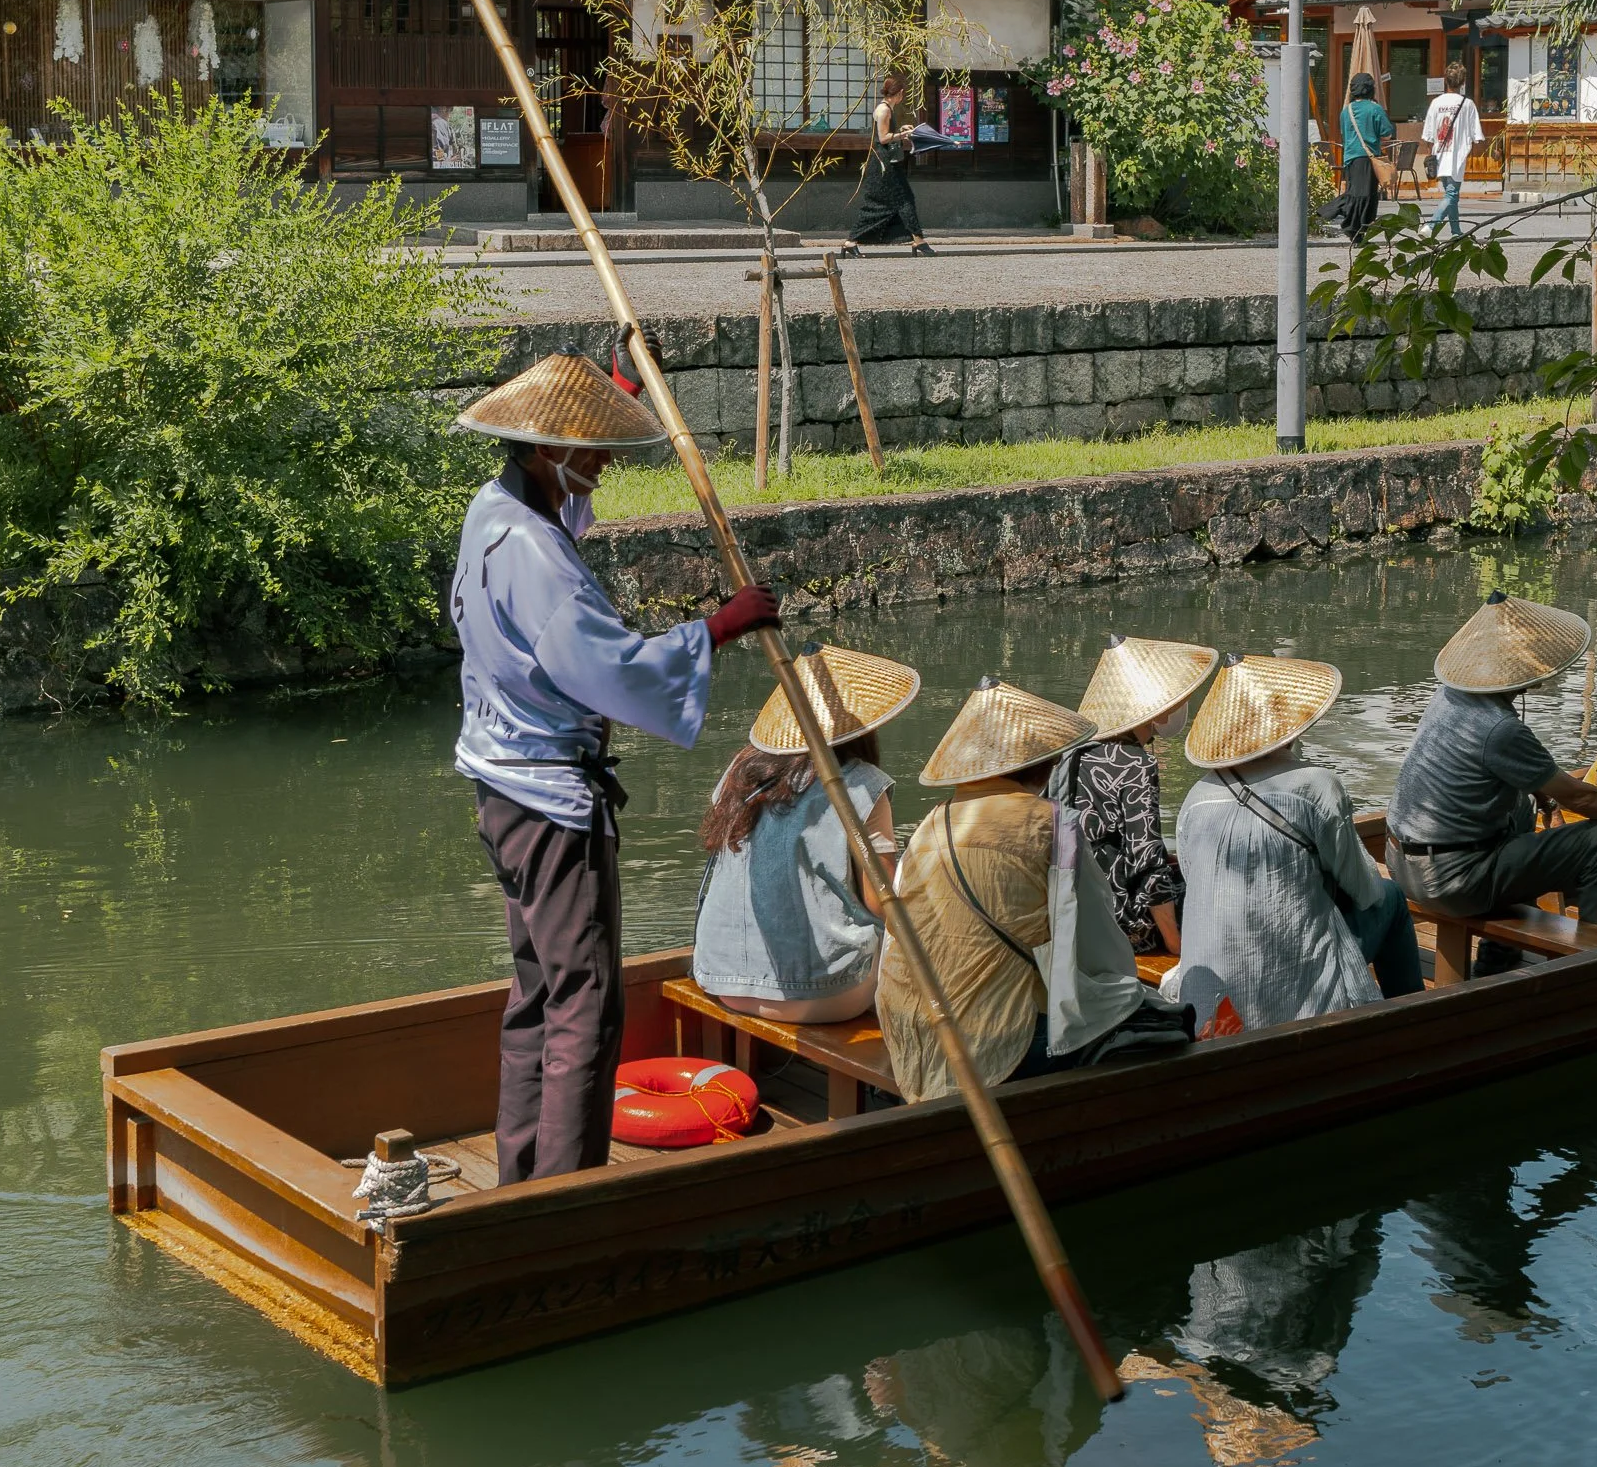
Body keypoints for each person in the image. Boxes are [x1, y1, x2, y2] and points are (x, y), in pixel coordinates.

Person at [450, 350, 781, 1185]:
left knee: (538, 992)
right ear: (538, 448)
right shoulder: (535, 555)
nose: (601, 464)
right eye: (586, 447)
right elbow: (614, 669)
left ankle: (524, 1172)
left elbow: (568, 529)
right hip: (549, 800)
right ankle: (564, 1193)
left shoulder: (494, 510)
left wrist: (620, 388)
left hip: (499, 784)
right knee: (587, 1005)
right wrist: (717, 628)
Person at [876, 676, 1184, 1102]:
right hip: (994, 1045)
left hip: (910, 1031)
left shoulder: (931, 823)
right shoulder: (1054, 825)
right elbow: (1104, 958)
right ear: (1043, 763)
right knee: (1162, 1021)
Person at [1386, 590, 1597, 951]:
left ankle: (1499, 955)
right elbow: (1581, 795)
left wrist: (1542, 797)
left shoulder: (1448, 694)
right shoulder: (1499, 727)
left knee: (1522, 807)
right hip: (1451, 879)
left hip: (1403, 862)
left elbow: (1523, 777)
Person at [1174, 653, 1424, 1033]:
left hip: (1207, 999)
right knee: (1390, 898)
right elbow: (1365, 889)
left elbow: (1196, 883)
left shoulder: (1196, 797)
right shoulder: (1315, 785)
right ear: (1287, 723)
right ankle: (1414, 1026)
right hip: (1289, 995)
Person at [692, 643, 921, 1020]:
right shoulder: (862, 785)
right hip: (826, 996)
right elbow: (882, 904)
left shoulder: (740, 771)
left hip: (720, 978)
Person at [1051, 632, 1219, 955]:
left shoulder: (1074, 754)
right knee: (1208, 889)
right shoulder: (1136, 763)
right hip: (1120, 925)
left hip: (1076, 911)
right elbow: (1147, 865)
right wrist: (1175, 946)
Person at [842, 73, 936, 256]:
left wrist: (901, 129)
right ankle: (919, 241)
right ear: (900, 93)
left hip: (885, 162)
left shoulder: (885, 109)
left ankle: (851, 242)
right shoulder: (884, 110)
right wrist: (904, 135)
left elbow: (885, 133)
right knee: (901, 200)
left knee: (888, 203)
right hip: (884, 164)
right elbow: (883, 138)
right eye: (903, 94)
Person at [1421, 60, 1484, 237]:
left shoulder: (1436, 103)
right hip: (1456, 155)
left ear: (1445, 80)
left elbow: (1428, 135)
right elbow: (1476, 135)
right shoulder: (1467, 104)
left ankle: (1456, 231)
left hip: (1439, 154)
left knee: (1452, 195)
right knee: (1452, 194)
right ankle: (1431, 225)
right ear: (1463, 82)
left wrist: (1430, 155)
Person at [1336, 69, 1393, 245]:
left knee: (1354, 192)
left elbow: (1343, 134)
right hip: (1369, 158)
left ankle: (1355, 231)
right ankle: (1357, 229)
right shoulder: (1375, 109)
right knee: (1368, 195)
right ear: (1371, 89)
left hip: (1350, 158)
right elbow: (1387, 134)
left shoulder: (1347, 111)